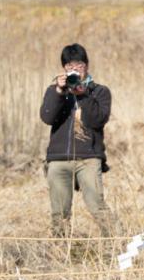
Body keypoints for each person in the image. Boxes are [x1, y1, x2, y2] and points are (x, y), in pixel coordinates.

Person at [39, 43, 119, 237]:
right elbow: (47, 118)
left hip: (88, 158)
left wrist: (83, 94)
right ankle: (61, 251)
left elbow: (97, 121)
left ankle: (118, 242)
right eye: (70, 67)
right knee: (59, 213)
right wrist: (59, 92)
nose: (74, 71)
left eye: (79, 66)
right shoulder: (55, 91)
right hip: (58, 159)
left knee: (97, 207)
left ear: (87, 66)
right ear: (64, 69)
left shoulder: (100, 91)